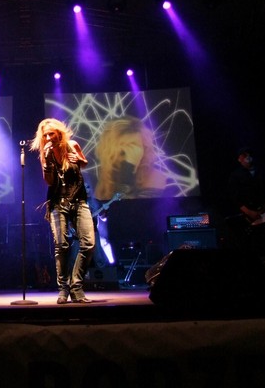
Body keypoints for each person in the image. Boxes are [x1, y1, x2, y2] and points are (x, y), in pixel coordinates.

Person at [30, 118, 95, 304]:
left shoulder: (72, 145)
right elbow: (49, 181)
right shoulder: (45, 154)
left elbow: (84, 162)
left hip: (79, 200)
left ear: (59, 133)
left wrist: (78, 159)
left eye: (51, 134)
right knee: (62, 245)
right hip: (57, 203)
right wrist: (47, 162)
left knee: (88, 243)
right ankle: (64, 289)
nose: (49, 138)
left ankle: (76, 285)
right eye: (45, 135)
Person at [226, 146, 265, 253]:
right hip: (249, 216)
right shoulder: (235, 176)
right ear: (239, 159)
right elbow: (235, 198)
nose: (248, 157)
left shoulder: (262, 171)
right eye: (244, 155)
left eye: (249, 154)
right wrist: (249, 212)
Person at [94, 115, 167, 201]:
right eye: (122, 150)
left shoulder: (155, 177)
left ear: (144, 147)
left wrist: (128, 167)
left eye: (133, 146)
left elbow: (127, 207)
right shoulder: (105, 175)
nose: (129, 153)